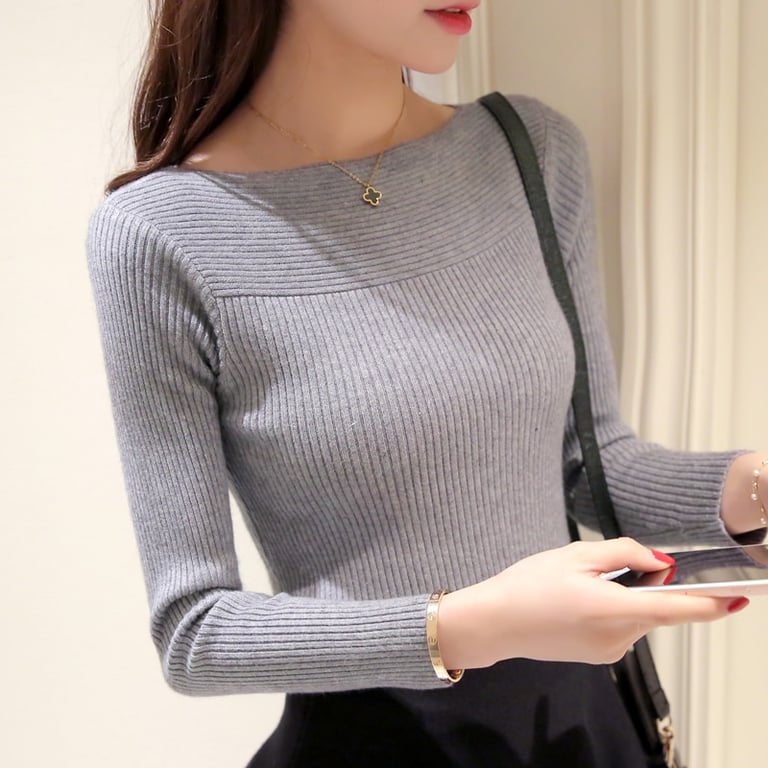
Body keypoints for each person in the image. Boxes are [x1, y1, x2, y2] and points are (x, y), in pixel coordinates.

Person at [86, 2, 768, 766]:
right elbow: (195, 632)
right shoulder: (161, 233)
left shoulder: (528, 151)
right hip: (376, 748)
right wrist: (477, 624)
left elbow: (592, 464)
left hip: (585, 733)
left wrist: (755, 490)